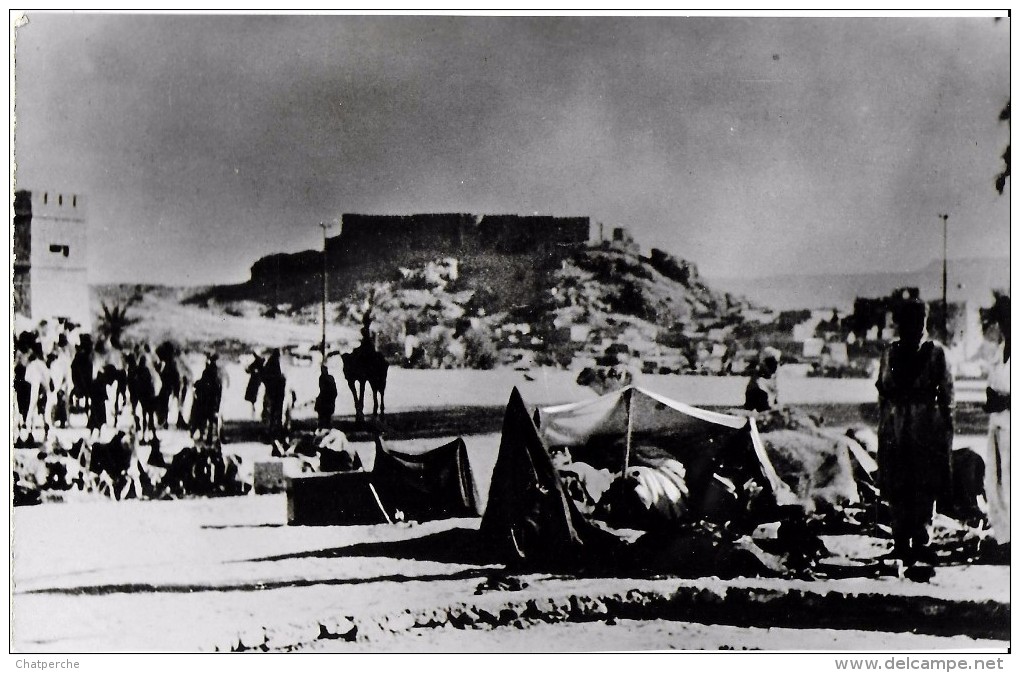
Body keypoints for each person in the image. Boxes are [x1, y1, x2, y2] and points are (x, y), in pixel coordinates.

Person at [876, 298, 954, 565]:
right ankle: (900, 541)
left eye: (921, 319)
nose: (916, 325)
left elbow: (947, 397)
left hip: (926, 428)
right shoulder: (889, 353)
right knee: (896, 484)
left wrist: (946, 437)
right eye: (911, 319)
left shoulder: (936, 353)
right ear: (901, 323)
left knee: (924, 485)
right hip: (895, 428)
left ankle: (921, 542)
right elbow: (883, 393)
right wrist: (883, 431)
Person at [982, 293, 1010, 551]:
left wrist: (1007, 402)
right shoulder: (1001, 352)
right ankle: (1005, 537)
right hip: (998, 425)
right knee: (995, 481)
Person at [744, 347, 781, 412]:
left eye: (776, 362)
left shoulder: (772, 376)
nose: (775, 365)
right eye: (771, 362)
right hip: (758, 399)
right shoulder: (759, 376)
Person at [315, 364, 338, 430]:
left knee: (326, 414)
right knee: (323, 414)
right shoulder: (323, 378)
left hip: (328, 398)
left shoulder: (329, 378)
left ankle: (325, 425)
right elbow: (322, 388)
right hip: (326, 398)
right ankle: (323, 425)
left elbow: (333, 389)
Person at [244, 352, 264, 418]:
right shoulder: (259, 363)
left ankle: (254, 409)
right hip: (256, 382)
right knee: (253, 395)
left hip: (254, 381)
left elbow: (248, 370)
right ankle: (254, 409)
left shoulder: (257, 363)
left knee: (252, 394)